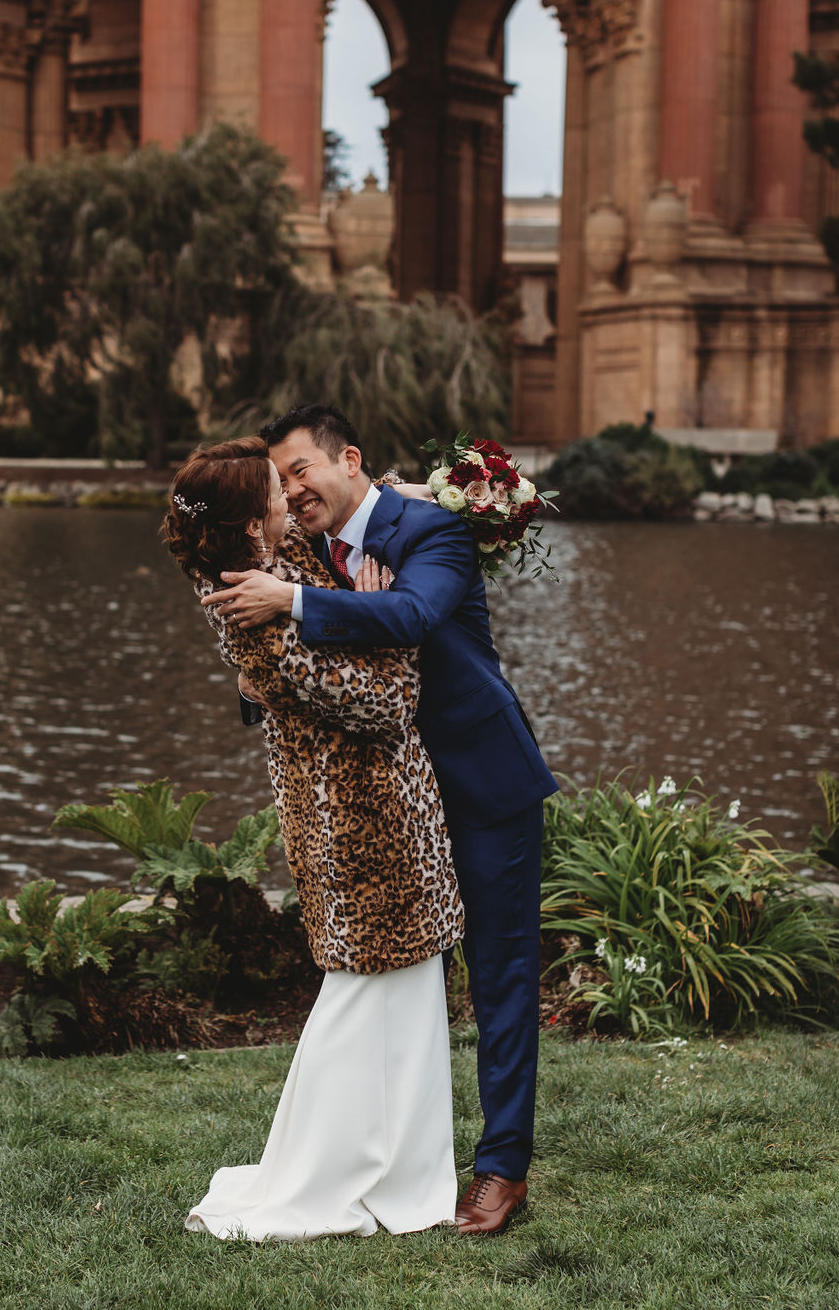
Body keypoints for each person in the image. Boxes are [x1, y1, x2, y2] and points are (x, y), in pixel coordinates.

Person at [203, 406, 558, 1237]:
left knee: (500, 980)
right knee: (405, 990)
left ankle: (503, 1170)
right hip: (394, 808)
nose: (292, 492)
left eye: (301, 471)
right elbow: (290, 665)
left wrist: (287, 600)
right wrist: (257, 683)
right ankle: (402, 1159)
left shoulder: (430, 529)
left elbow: (411, 620)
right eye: (280, 482)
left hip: (480, 784)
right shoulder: (301, 548)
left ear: (347, 459)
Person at [162, 436, 465, 1241]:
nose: (287, 496)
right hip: (358, 821)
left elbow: (334, 521)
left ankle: (395, 1160)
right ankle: (335, 1173)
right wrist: (386, 618)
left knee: (395, 996)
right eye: (273, 487)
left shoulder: (272, 560)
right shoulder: (248, 609)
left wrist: (401, 493)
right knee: (367, 1000)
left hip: (375, 811)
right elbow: (382, 706)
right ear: (247, 520)